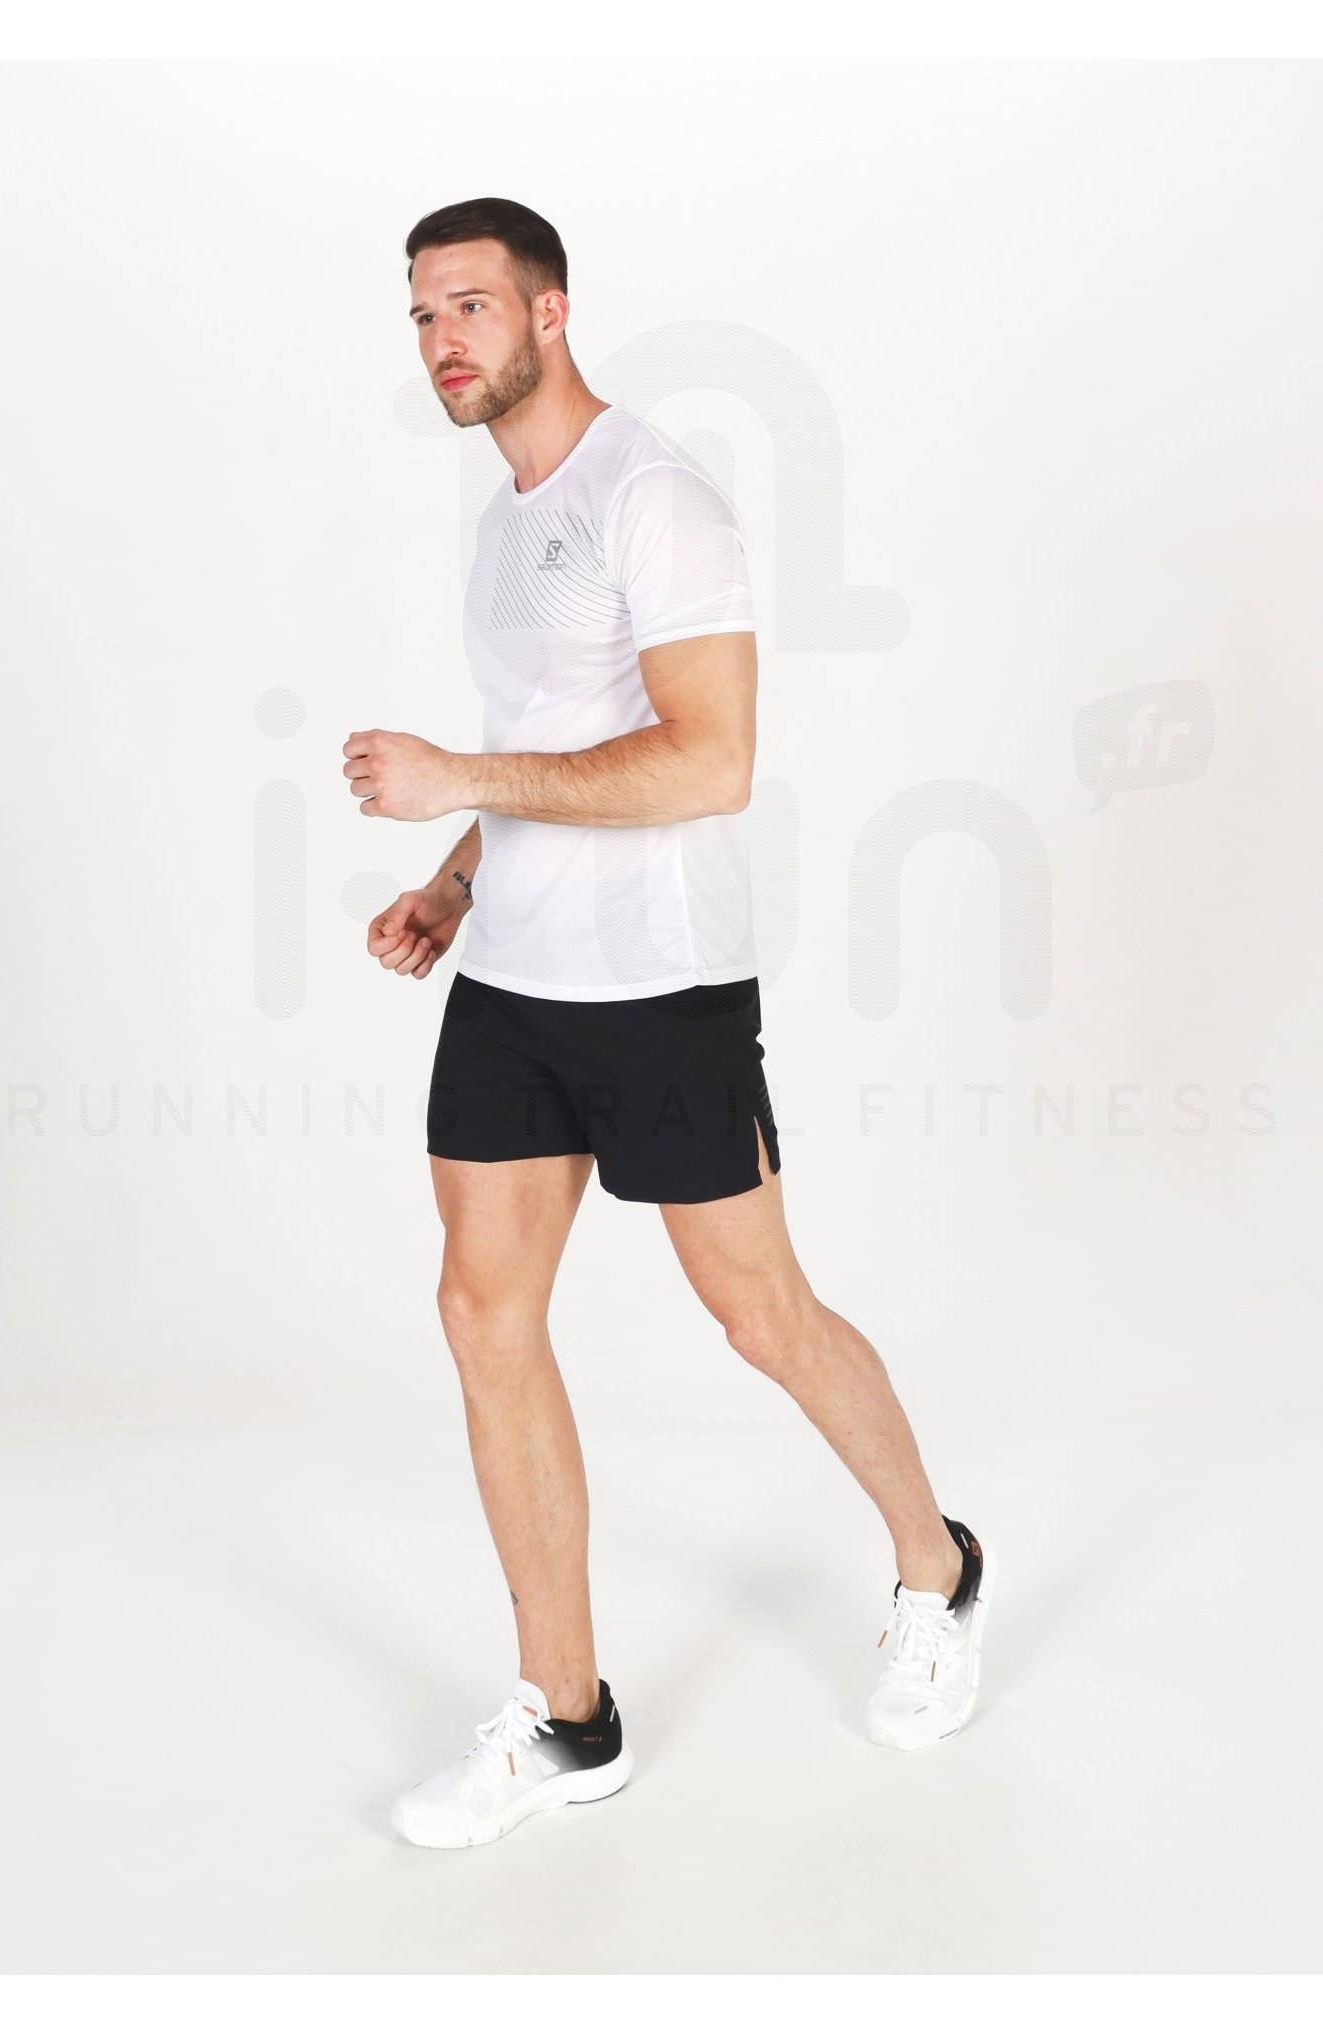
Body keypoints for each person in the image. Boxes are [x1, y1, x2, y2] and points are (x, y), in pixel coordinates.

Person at [341, 197, 996, 1851]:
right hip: (515, 987)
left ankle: (937, 1565)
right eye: (421, 314)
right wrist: (460, 876)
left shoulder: (658, 498)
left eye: (470, 305)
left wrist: (457, 774)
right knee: (481, 1311)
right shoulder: (507, 520)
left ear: (551, 311)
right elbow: (555, 733)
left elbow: (712, 759)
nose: (441, 340)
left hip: (662, 987)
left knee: (760, 1314)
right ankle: (567, 1714)